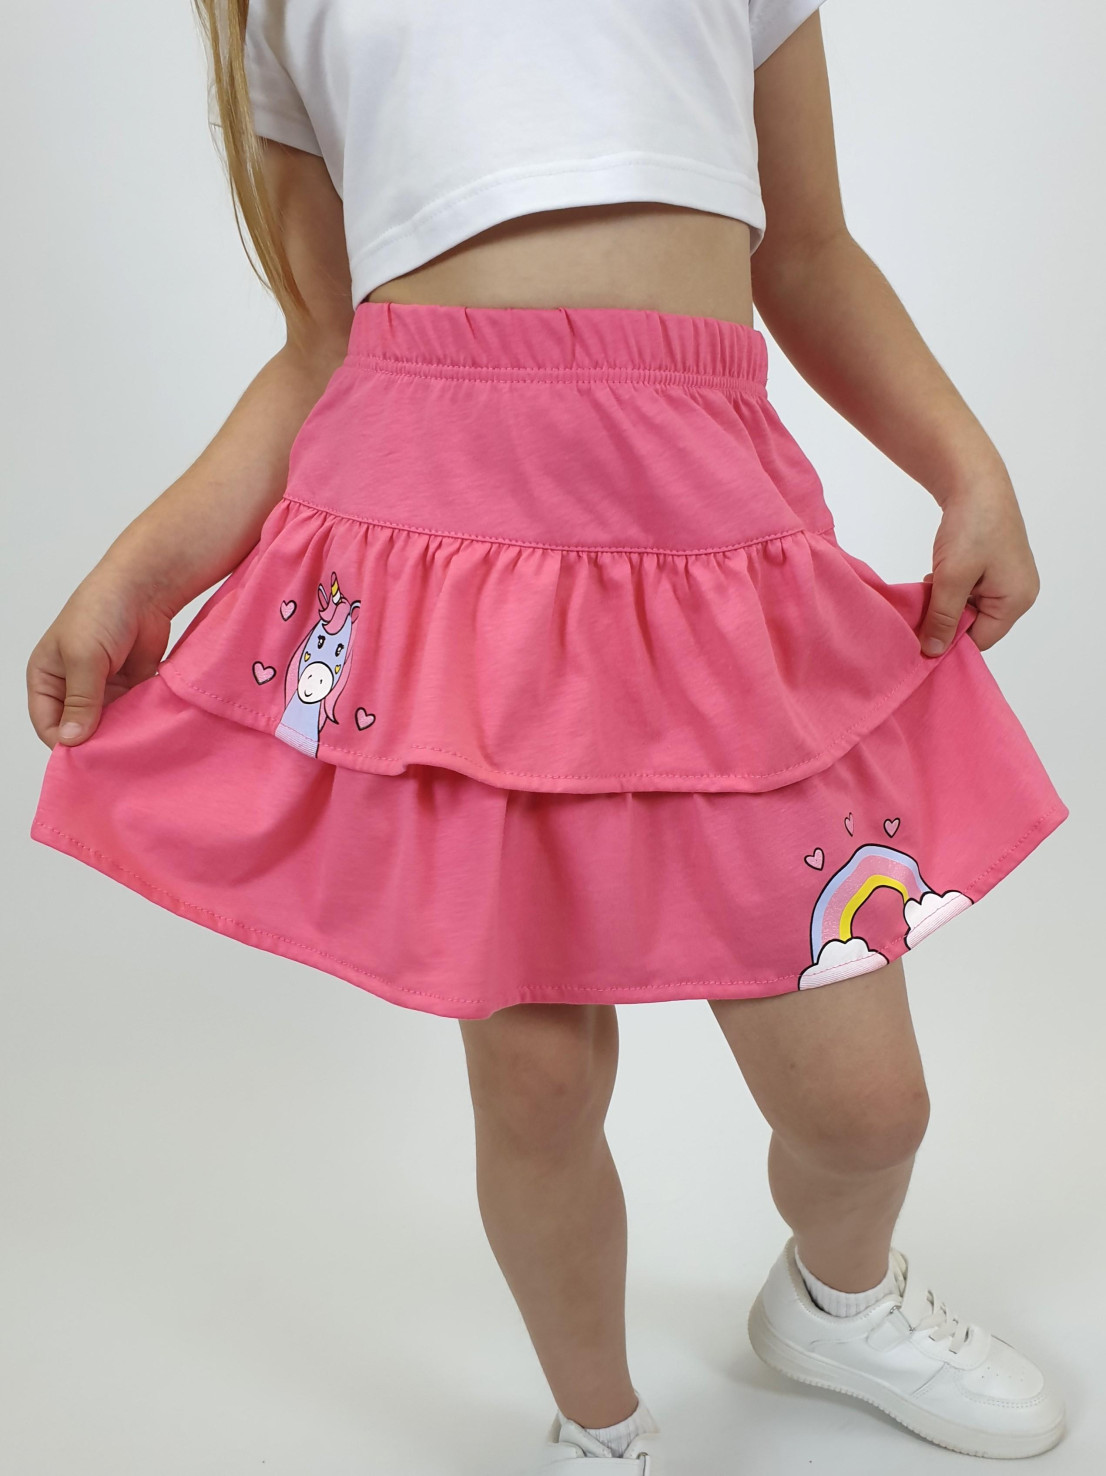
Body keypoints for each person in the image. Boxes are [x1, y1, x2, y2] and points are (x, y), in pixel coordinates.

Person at [25, 2, 1069, 1470]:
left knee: (864, 1107)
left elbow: (808, 253)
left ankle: (841, 1302)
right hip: (454, 600)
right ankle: (599, 1427)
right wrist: (141, 570)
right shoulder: (288, 12)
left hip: (709, 568)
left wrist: (969, 468)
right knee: (537, 1085)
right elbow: (320, 349)